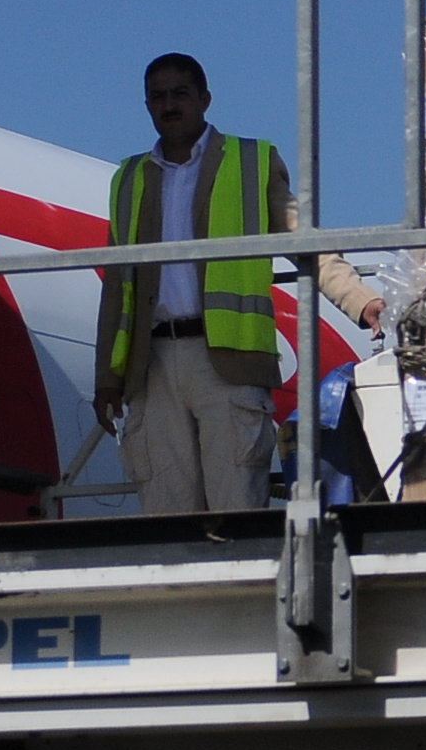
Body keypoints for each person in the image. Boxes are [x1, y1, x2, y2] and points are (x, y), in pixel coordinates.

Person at [92, 53, 383, 513]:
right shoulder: (128, 178)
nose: (169, 105)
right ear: (147, 105)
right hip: (152, 367)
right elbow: (117, 286)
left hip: (227, 363)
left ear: (205, 99)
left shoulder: (251, 162)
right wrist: (107, 378)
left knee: (235, 506)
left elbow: (304, 239)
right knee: (165, 511)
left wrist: (360, 300)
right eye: (158, 96)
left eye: (180, 94)